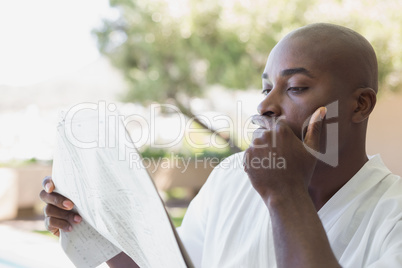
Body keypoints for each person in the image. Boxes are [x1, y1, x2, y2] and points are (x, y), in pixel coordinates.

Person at [40, 23, 402, 267]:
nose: (265, 106)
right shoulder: (232, 178)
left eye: (295, 88)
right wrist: (97, 222)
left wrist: (286, 194)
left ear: (360, 105)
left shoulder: (393, 214)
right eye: (266, 88)